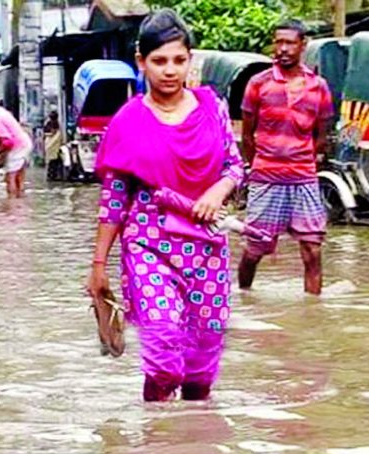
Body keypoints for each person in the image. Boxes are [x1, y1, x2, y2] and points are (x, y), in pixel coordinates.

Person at [86, 9, 244, 402]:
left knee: (201, 363)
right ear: (141, 62)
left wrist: (217, 192)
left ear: (190, 60)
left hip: (206, 245)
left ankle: (189, 447)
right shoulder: (127, 121)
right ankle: (153, 438)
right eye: (159, 61)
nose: (169, 71)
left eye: (178, 60)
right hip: (148, 245)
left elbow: (235, 166)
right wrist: (98, 266)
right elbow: (114, 198)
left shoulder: (213, 108)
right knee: (163, 349)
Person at [238, 19, 334, 295]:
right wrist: (257, 168)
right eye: (278, 42)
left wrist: (303, 161)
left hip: (304, 179)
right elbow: (247, 136)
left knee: (312, 250)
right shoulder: (258, 84)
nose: (282, 49)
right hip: (266, 179)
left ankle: (314, 314)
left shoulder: (319, 87)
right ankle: (243, 296)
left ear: (302, 45)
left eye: (289, 42)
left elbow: (322, 136)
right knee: (255, 249)